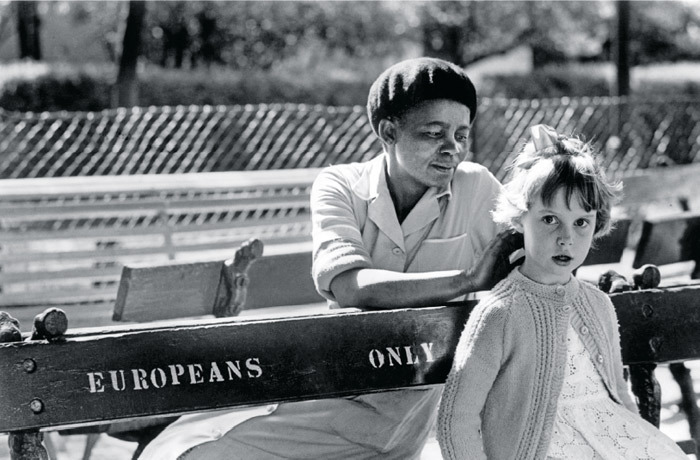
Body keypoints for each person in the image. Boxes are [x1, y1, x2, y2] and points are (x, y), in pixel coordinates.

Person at [139, 57, 521, 460]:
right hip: (326, 392)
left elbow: (537, 247)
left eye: (462, 135)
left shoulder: (475, 188)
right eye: (434, 133)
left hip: (403, 419)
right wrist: (467, 280)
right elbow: (350, 286)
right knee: (179, 453)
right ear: (388, 130)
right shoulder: (339, 185)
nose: (452, 149)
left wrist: (554, 174)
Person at [436, 124, 687, 460]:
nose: (566, 237)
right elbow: (457, 418)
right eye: (550, 219)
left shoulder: (597, 303)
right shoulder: (500, 313)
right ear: (520, 218)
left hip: (609, 439)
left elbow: (619, 396)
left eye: (581, 222)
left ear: (597, 224)